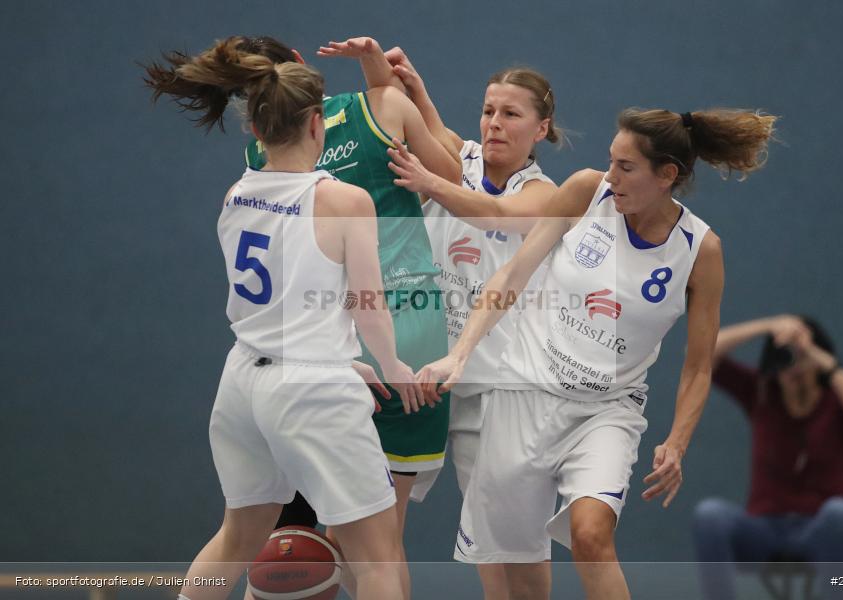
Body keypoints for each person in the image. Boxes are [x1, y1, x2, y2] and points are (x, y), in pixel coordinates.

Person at [415, 107, 777, 599]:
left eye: (626, 167)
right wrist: (461, 352)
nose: (611, 175)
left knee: (590, 534)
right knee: (516, 566)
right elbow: (512, 276)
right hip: (523, 393)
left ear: (667, 175)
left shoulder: (700, 251)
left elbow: (698, 365)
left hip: (606, 410)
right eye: (611, 160)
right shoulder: (586, 192)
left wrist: (678, 441)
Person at [143, 37, 427, 600]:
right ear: (318, 124)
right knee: (377, 559)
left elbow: (285, 301)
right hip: (310, 387)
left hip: (242, 382)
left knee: (237, 538)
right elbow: (367, 306)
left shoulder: (236, 193)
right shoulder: (344, 200)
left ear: (255, 129)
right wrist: (390, 365)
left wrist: (345, 364)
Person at [376, 47, 559, 600]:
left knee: (507, 545)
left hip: (502, 388)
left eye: (511, 114)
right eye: (488, 110)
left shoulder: (544, 194)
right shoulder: (459, 156)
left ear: (542, 128)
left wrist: (428, 182)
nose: (495, 123)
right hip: (430, 375)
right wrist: (417, 91)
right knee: (393, 526)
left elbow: (491, 213)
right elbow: (430, 129)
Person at [692, 314, 843, 600]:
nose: (793, 371)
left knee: (841, 513)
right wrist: (768, 326)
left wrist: (816, 355)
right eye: (786, 362)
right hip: (763, 530)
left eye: (800, 361)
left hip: (819, 531)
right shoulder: (762, 392)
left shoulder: (836, 398)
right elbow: (701, 353)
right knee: (710, 515)